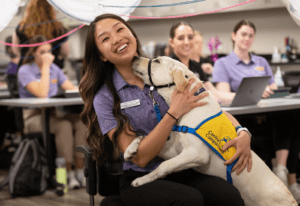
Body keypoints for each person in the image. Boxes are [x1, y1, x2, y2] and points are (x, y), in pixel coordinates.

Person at [79, 13, 253, 206]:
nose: (117, 38)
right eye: (105, 38)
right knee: (190, 200)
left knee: (229, 196)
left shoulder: (165, 68)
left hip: (184, 168)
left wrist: (242, 132)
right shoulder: (104, 97)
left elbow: (210, 109)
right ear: (102, 55)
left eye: (120, 29)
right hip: (141, 177)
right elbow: (140, 158)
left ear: (132, 34)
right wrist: (173, 113)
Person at [212, 19, 300, 203]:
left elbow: (274, 86)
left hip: (268, 113)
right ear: (234, 36)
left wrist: (269, 91)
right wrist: (256, 95)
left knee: (290, 116)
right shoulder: (223, 63)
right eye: (243, 34)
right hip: (243, 118)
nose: (247, 38)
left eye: (251, 35)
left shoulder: (260, 61)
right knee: (286, 122)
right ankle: (287, 180)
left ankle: (282, 172)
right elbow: (222, 94)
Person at [17, 35, 87, 189]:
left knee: (81, 122)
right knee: (64, 126)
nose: (48, 55)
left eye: (49, 51)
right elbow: (42, 94)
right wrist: (46, 67)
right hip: (33, 117)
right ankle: (65, 176)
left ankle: (80, 171)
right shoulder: (25, 70)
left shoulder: (55, 69)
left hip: (55, 114)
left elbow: (71, 88)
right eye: (42, 51)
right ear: (33, 52)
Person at [168, 21, 235, 106]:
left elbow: (214, 93)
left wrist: (241, 97)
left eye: (190, 37)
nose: (187, 42)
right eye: (181, 38)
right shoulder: (167, 68)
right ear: (172, 42)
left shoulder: (195, 66)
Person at [12, 0, 69, 69]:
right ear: (51, 9)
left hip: (27, 69)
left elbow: (15, 49)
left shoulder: (22, 26)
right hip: (52, 68)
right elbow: (65, 52)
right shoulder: (58, 27)